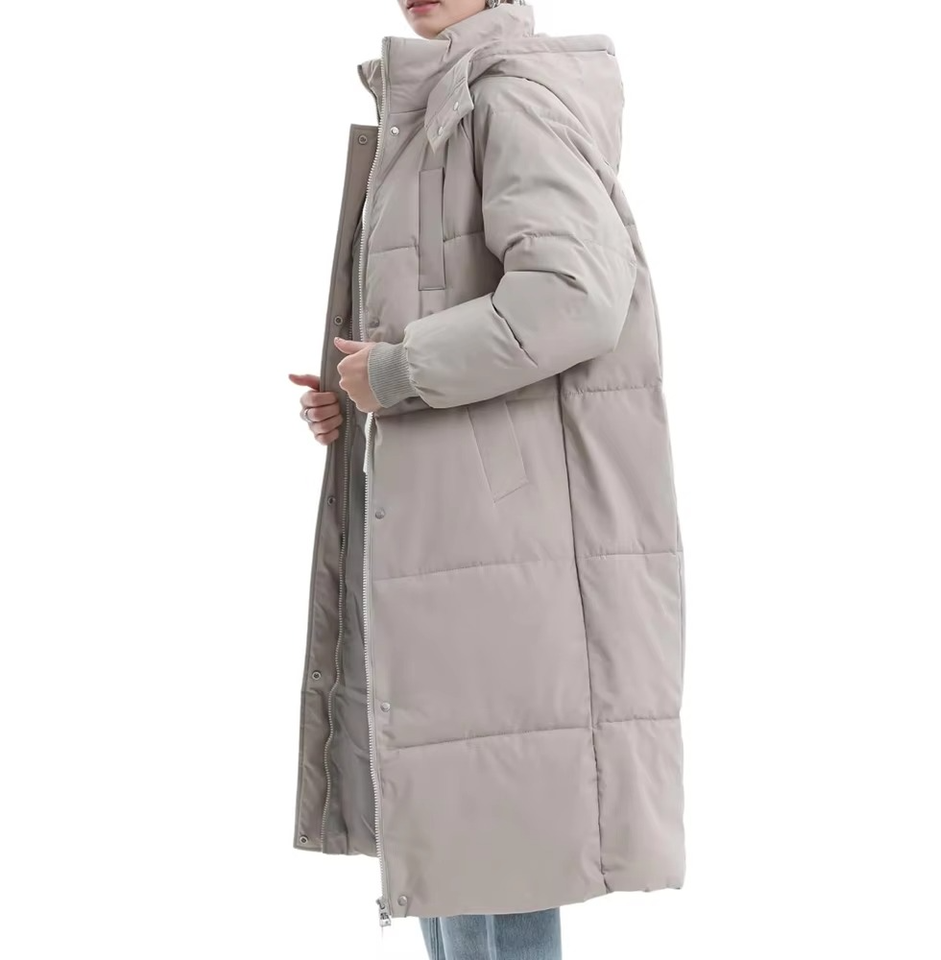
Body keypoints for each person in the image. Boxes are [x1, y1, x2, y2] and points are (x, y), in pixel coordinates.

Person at [288, 2, 686, 958]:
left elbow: (577, 294)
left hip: (500, 544)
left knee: (492, 839)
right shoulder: (441, 103)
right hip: (457, 534)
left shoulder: (507, 101)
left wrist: (397, 371)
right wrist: (358, 397)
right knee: (459, 832)